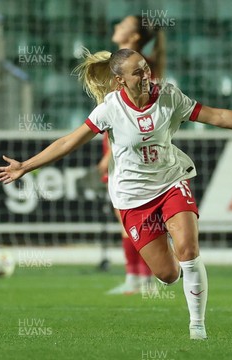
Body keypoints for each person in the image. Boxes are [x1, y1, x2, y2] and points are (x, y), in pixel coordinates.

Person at [0, 48, 232, 340]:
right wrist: (26, 166)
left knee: (189, 251)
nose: (146, 75)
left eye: (146, 68)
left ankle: (197, 326)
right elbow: (68, 142)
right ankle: (177, 266)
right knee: (168, 274)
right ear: (120, 81)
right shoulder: (110, 109)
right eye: (137, 72)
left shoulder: (168, 96)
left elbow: (216, 116)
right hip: (132, 197)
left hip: (171, 182)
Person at [98, 15, 166, 295]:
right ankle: (142, 280)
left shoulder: (139, 69)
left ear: (135, 37)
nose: (116, 26)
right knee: (133, 222)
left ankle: (139, 279)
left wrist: (111, 155)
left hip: (128, 152)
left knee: (131, 221)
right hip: (116, 146)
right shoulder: (121, 64)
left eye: (123, 24)